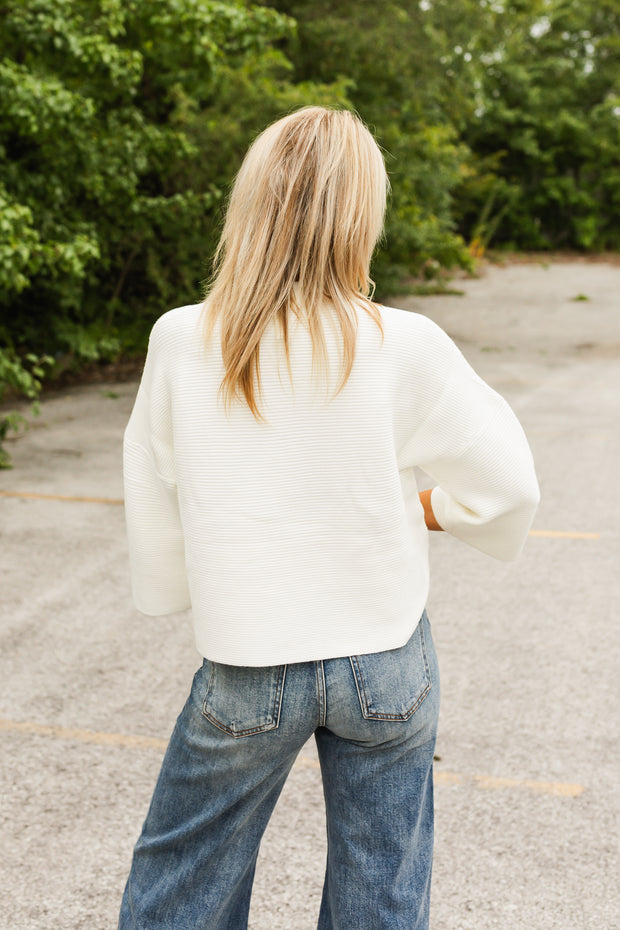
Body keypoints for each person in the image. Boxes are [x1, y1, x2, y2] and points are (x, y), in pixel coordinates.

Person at [118, 106, 539, 930]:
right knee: (381, 889)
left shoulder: (181, 339)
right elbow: (511, 487)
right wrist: (433, 507)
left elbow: (157, 493)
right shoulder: (402, 342)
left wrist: (182, 593)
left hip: (248, 660)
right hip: (385, 664)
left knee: (182, 880)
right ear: (363, 215)